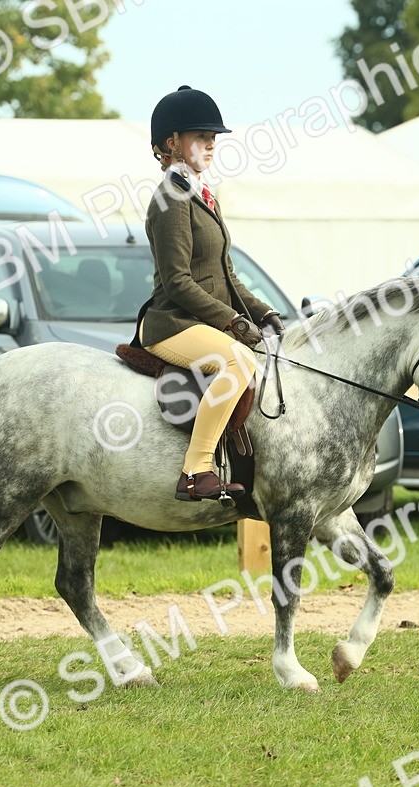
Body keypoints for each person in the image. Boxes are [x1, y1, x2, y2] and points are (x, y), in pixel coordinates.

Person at [135, 85, 284, 502]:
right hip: (171, 323)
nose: (212, 145)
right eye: (202, 137)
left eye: (213, 138)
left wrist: (264, 312)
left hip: (200, 320)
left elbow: (226, 274)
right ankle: (195, 470)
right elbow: (179, 281)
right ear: (172, 144)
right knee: (236, 361)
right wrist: (233, 322)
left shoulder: (202, 197)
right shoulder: (170, 199)